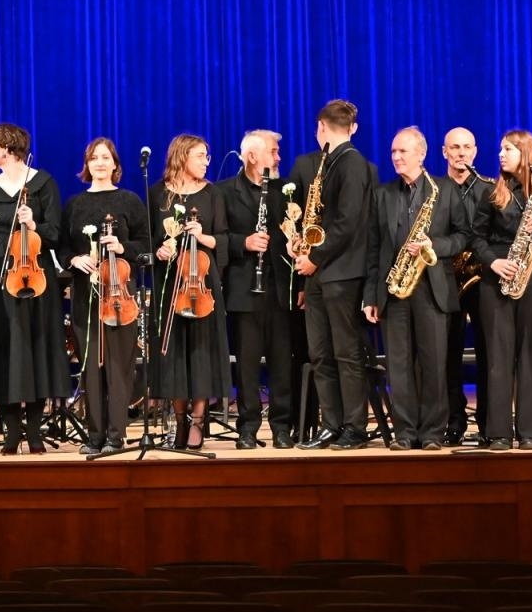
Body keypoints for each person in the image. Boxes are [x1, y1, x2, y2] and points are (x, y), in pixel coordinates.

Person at [361, 128, 470, 451]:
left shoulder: (446, 190)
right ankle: (405, 432)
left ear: (421, 155)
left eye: (402, 152)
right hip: (394, 290)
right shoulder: (383, 195)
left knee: (434, 364)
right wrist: (371, 295)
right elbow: (374, 250)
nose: (395, 157)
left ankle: (433, 432)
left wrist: (432, 244)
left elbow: (464, 236)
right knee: (399, 365)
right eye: (393, 152)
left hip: (432, 288)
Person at [0, 123, 69, 455]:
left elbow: (56, 234)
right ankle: (12, 432)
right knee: (5, 354)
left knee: (37, 352)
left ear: (8, 148)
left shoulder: (43, 184)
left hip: (37, 282)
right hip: (0, 281)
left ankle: (36, 433)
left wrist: (33, 225)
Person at [471, 130, 532, 451]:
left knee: (530, 355)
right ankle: (498, 432)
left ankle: (530, 432)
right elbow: (476, 239)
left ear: (526, 153)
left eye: (508, 149)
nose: (500, 153)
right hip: (497, 278)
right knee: (498, 358)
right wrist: (493, 263)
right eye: (501, 148)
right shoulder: (492, 192)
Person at [295, 100, 376, 451]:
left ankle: (355, 426)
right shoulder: (330, 163)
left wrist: (315, 257)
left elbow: (347, 223)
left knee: (346, 353)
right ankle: (331, 424)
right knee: (321, 354)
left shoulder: (352, 162)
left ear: (321, 127)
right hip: (321, 273)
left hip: (340, 273)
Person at [63, 138, 150, 456]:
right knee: (91, 368)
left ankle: (117, 433)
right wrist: (74, 259)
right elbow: (61, 247)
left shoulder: (129, 200)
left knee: (118, 367)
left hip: (120, 297)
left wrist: (122, 248)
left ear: (115, 164)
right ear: (86, 165)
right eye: (94, 158)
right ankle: (95, 434)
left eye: (105, 157)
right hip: (86, 295)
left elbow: (146, 245)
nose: (100, 163)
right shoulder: (74, 204)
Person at [149, 134, 228, 451]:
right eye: (200, 155)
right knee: (174, 354)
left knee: (201, 353)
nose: (205, 161)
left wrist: (203, 236)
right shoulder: (157, 194)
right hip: (170, 285)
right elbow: (148, 242)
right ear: (181, 156)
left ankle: (198, 422)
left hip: (203, 286)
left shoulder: (212, 194)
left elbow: (223, 239)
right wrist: (160, 251)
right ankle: (178, 420)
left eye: (207, 156)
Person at [219, 130, 294, 449]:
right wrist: (244, 243)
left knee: (282, 363)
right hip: (243, 290)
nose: (279, 157)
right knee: (247, 367)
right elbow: (219, 236)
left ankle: (281, 427)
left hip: (278, 289)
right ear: (252, 157)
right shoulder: (223, 192)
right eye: (274, 152)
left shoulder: (284, 191)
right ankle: (247, 428)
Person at [440, 126, 489, 445]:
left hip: (481, 277)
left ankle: (489, 422)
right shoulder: (435, 188)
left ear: (475, 151)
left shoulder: (489, 188)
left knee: (489, 352)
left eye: (466, 147)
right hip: (446, 277)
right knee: (446, 354)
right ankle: (453, 419)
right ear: (444, 152)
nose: (460, 153)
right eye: (454, 148)